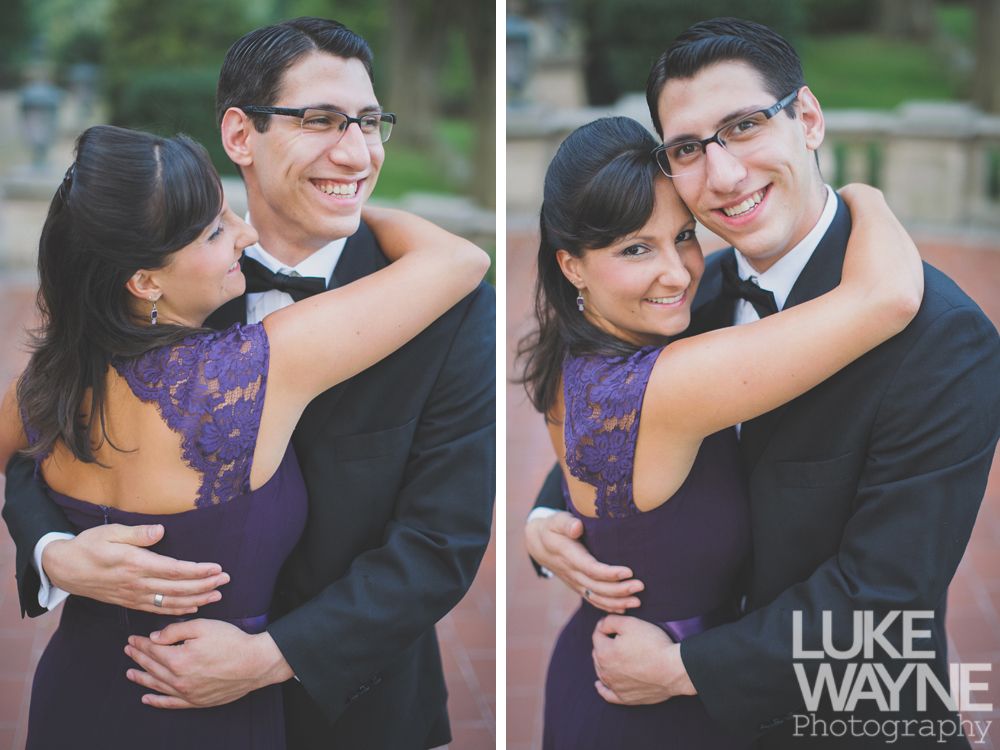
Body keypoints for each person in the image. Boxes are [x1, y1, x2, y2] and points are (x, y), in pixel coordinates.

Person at [3, 18, 496, 750]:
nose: (357, 151)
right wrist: (51, 552)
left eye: (368, 122)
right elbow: (35, 442)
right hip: (142, 690)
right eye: (321, 121)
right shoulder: (174, 272)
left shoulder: (448, 310)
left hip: (356, 710)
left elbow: (440, 541)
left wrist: (274, 657)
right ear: (241, 136)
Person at [526, 17, 1000, 748]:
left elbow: (888, 598)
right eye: (688, 148)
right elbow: (622, 426)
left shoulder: (944, 339)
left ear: (806, 119)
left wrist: (687, 668)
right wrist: (546, 518)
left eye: (745, 126)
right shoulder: (690, 294)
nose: (723, 175)